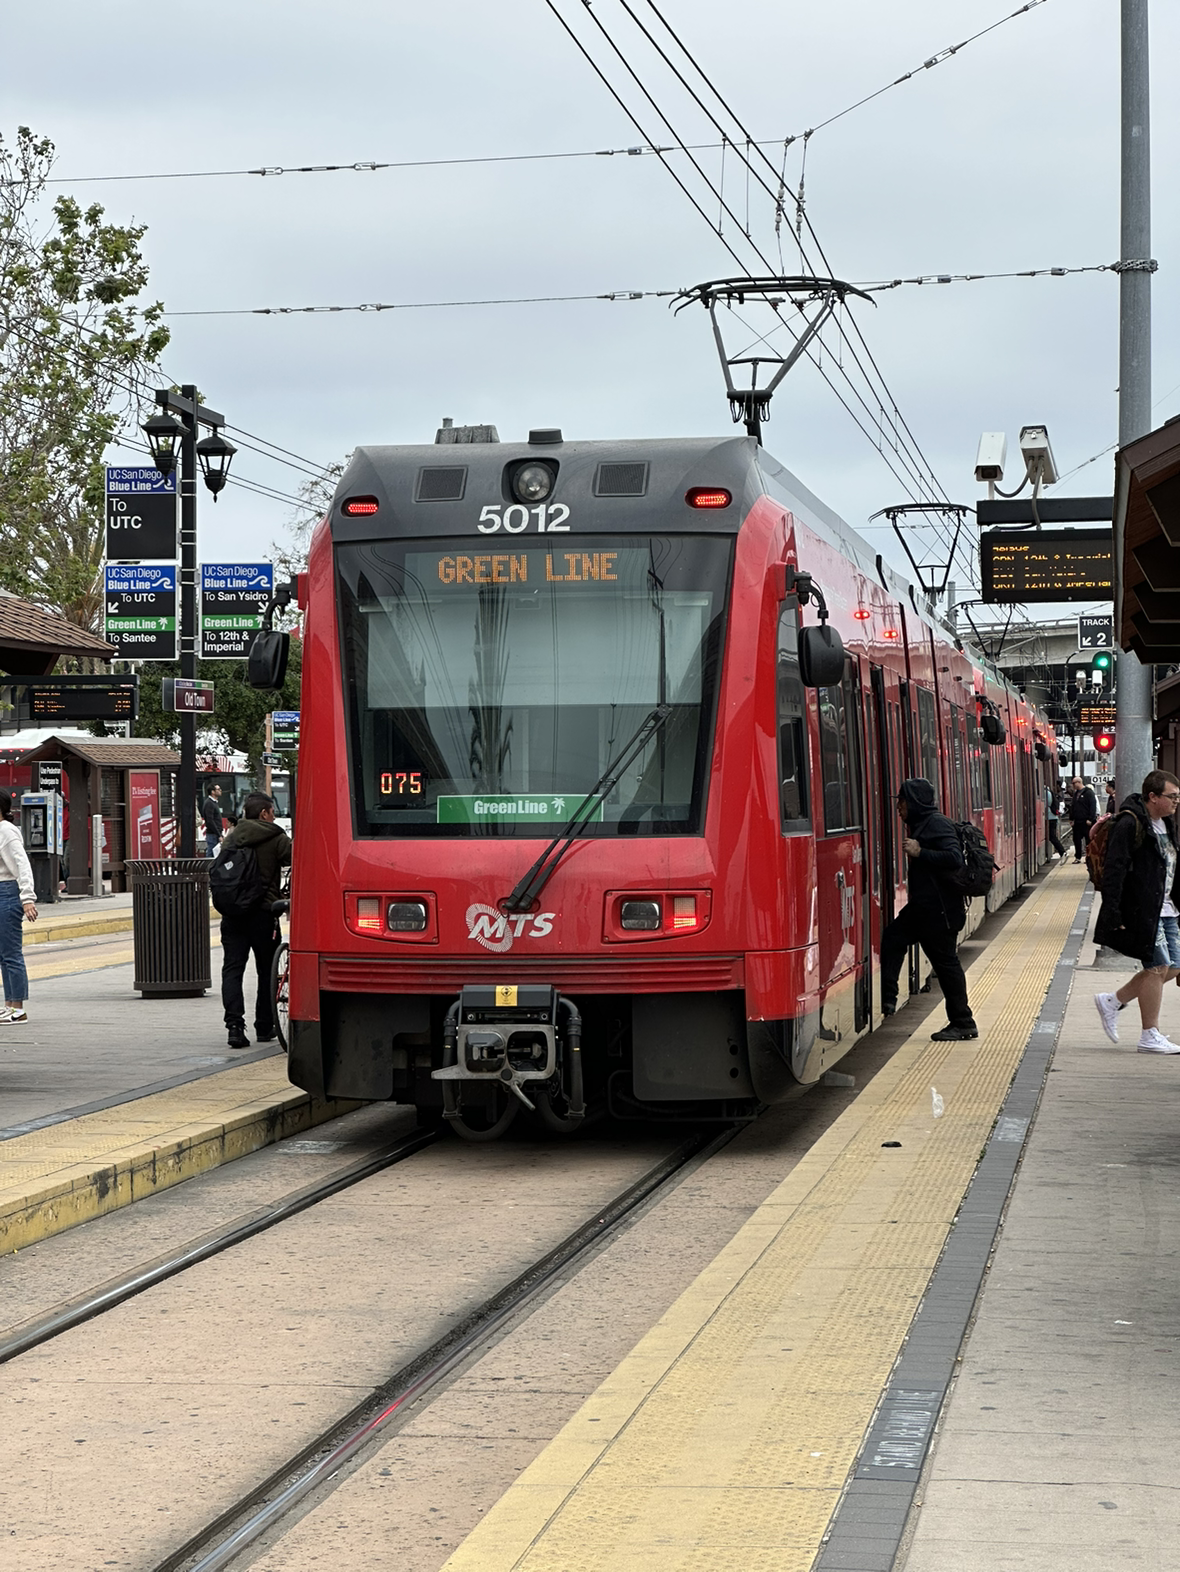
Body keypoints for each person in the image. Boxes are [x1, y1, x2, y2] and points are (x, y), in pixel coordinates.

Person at [880, 778, 978, 1041]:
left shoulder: (936, 824)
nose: (898, 807)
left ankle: (963, 1022)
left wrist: (920, 851)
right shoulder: (924, 823)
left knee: (946, 965)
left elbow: (954, 857)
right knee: (893, 938)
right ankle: (888, 999)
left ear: (914, 802)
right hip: (924, 909)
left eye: (901, 802)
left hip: (940, 912)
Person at [1094, 769, 1180, 1054]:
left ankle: (1113, 1000)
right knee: (1157, 967)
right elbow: (1115, 871)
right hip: (1143, 909)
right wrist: (1113, 913)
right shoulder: (1130, 823)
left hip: (1168, 909)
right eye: (1172, 796)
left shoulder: (1168, 824)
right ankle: (1149, 1034)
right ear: (1153, 796)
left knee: (1174, 965)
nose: (1176, 802)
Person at [218, 791, 292, 1050]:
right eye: (272, 812)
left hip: (233, 914)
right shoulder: (276, 838)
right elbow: (299, 860)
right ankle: (265, 1024)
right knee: (267, 971)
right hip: (263, 914)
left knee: (233, 969)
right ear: (264, 814)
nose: (274, 816)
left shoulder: (231, 837)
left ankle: (235, 1027)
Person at [0, 789, 37, 1022]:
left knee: (11, 953)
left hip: (7, 893)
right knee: (4, 955)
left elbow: (22, 865)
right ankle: (9, 1005)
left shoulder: (6, 831)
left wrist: (28, 898)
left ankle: (18, 1007)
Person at [1068, 776, 1097, 863]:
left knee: (1088, 839)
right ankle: (1078, 857)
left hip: (1086, 821)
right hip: (1077, 821)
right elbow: (1072, 807)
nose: (1073, 785)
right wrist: (1071, 818)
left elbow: (1092, 806)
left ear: (1079, 782)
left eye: (1074, 783)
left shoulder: (1089, 793)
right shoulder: (1076, 794)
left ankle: (1089, 856)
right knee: (1076, 839)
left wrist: (1090, 819)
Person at [202, 783, 225, 858]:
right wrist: (219, 834)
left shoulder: (213, 803)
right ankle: (208, 869)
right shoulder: (209, 803)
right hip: (213, 834)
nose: (220, 790)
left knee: (215, 854)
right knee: (212, 854)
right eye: (218, 789)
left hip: (215, 833)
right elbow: (210, 821)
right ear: (213, 792)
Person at [1045, 784, 1066, 860]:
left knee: (1052, 836)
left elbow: (1045, 805)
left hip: (1049, 817)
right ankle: (1062, 851)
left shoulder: (1046, 793)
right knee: (1052, 836)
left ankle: (1062, 851)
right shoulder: (1049, 792)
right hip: (1052, 817)